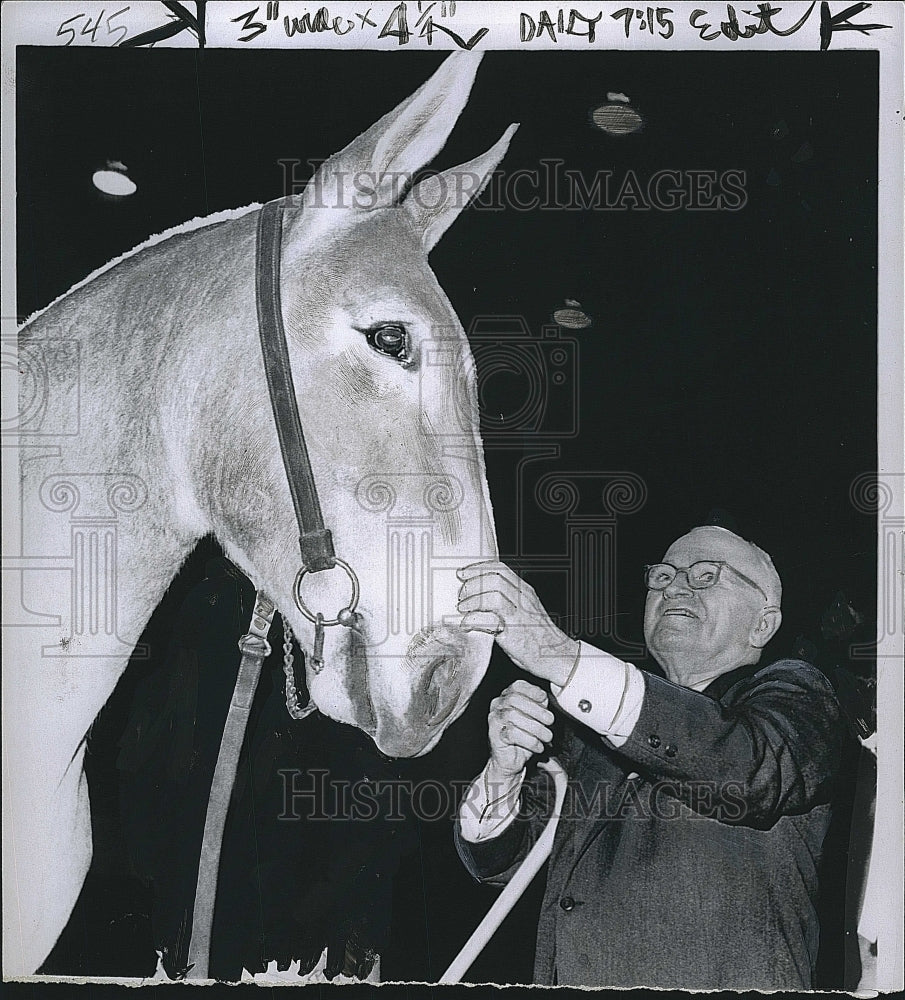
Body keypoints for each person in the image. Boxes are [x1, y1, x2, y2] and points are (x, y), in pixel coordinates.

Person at [454, 525, 843, 989]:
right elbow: (500, 864)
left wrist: (560, 656)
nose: (675, 586)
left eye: (705, 575)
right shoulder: (593, 733)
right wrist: (505, 770)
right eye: (662, 576)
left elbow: (748, 767)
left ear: (763, 623)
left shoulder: (799, 695)